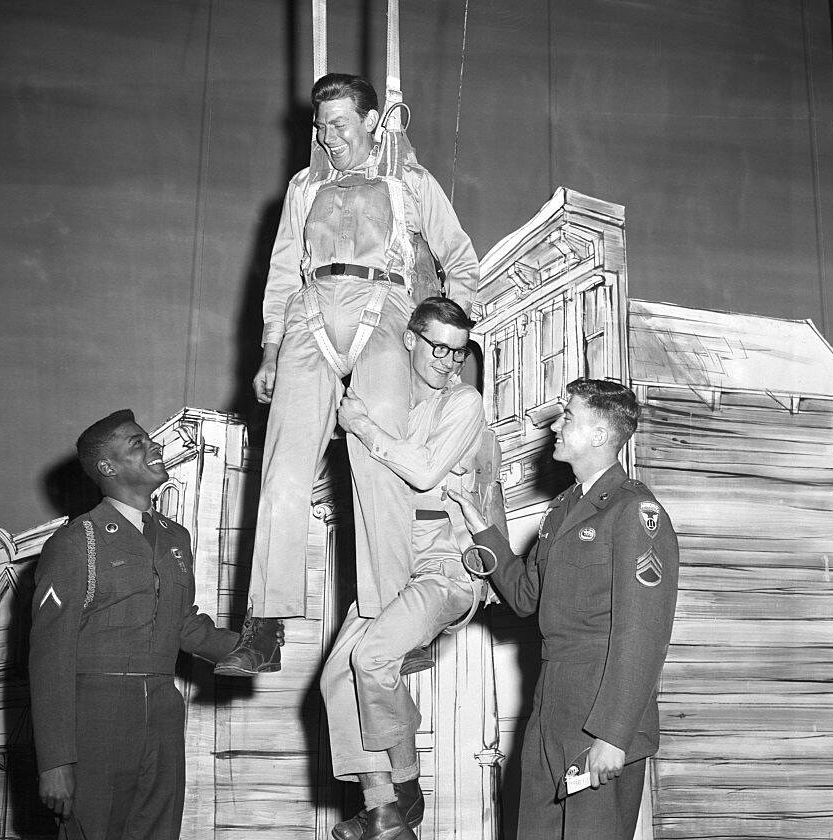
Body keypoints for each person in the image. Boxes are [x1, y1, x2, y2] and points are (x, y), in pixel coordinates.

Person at [216, 73, 478, 677]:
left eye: (339, 123)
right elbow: (282, 273)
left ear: (369, 120)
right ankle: (266, 624)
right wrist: (271, 349)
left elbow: (459, 260)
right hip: (309, 315)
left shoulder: (411, 182)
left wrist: (446, 338)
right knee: (282, 468)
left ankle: (392, 619)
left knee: (378, 468)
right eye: (319, 125)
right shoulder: (303, 188)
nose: (327, 135)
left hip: (385, 314)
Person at [448, 379, 679, 840]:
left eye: (568, 416)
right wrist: (481, 528)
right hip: (550, 704)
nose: (556, 424)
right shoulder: (563, 509)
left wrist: (613, 736)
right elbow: (524, 596)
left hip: (601, 710)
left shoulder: (634, 511)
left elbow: (643, 636)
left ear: (598, 435)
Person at [318, 297, 487, 840]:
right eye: (438, 347)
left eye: (458, 353)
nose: (448, 362)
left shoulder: (465, 403)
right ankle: (385, 810)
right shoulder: (390, 396)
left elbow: (424, 471)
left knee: (371, 656)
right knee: (335, 677)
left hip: (445, 565)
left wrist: (363, 426)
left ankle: (406, 782)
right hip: (388, 555)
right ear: (410, 339)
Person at [29, 410, 240, 839]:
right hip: (96, 717)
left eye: (149, 439)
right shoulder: (76, 541)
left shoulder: (174, 536)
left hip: (163, 711)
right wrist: (54, 762)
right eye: (138, 444)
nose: (154, 447)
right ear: (108, 468)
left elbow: (182, 624)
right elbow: (49, 659)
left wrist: (249, 645)